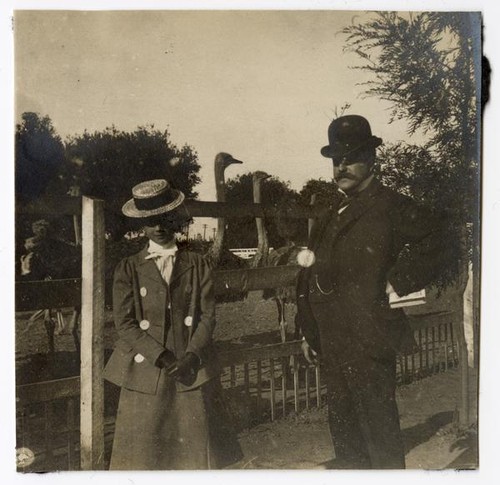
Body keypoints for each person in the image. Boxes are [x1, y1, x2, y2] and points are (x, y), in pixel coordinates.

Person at [296, 115, 447, 469]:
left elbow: (442, 237)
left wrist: (399, 283)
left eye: (350, 157)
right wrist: (308, 327)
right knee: (346, 436)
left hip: (370, 336)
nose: (341, 167)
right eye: (336, 160)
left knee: (379, 434)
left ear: (372, 159)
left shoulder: (390, 205)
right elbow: (311, 269)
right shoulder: (330, 210)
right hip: (331, 338)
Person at [103, 179, 242, 470]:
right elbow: (125, 324)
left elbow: (207, 316)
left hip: (189, 366)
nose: (159, 227)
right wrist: (162, 356)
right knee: (144, 455)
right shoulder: (128, 268)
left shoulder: (197, 264)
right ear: (142, 224)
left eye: (165, 218)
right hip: (147, 370)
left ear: (176, 218)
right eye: (151, 221)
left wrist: (192, 355)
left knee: (193, 451)